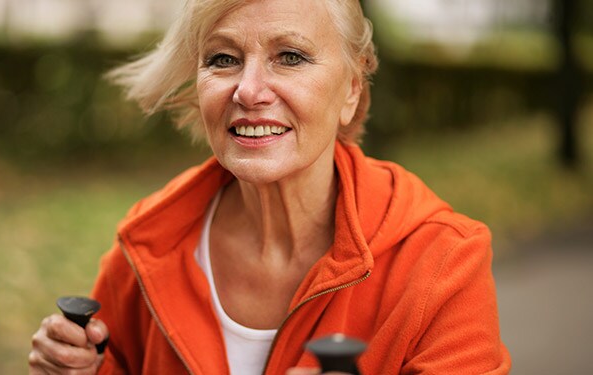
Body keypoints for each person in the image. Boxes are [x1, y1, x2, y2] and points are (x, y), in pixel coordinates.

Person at [29, 0, 511, 373]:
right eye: (223, 58)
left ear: (351, 89)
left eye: (290, 56)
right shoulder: (146, 247)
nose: (249, 90)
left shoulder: (443, 263)